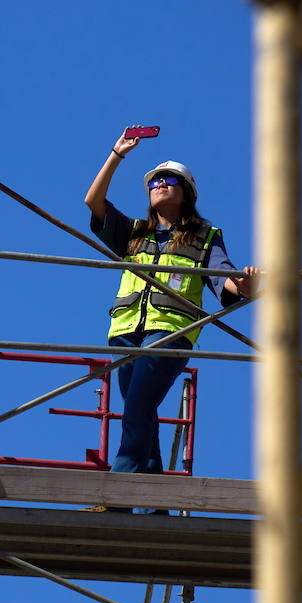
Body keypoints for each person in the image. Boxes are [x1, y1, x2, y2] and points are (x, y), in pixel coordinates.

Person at [85, 130, 258, 511]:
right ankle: (156, 497)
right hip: (125, 333)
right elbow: (93, 202)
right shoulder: (133, 233)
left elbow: (222, 277)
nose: (161, 185)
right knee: (140, 407)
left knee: (137, 406)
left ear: (187, 192)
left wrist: (244, 286)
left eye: (170, 180)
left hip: (171, 333)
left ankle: (117, 492)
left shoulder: (205, 237)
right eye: (155, 182)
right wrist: (117, 153)